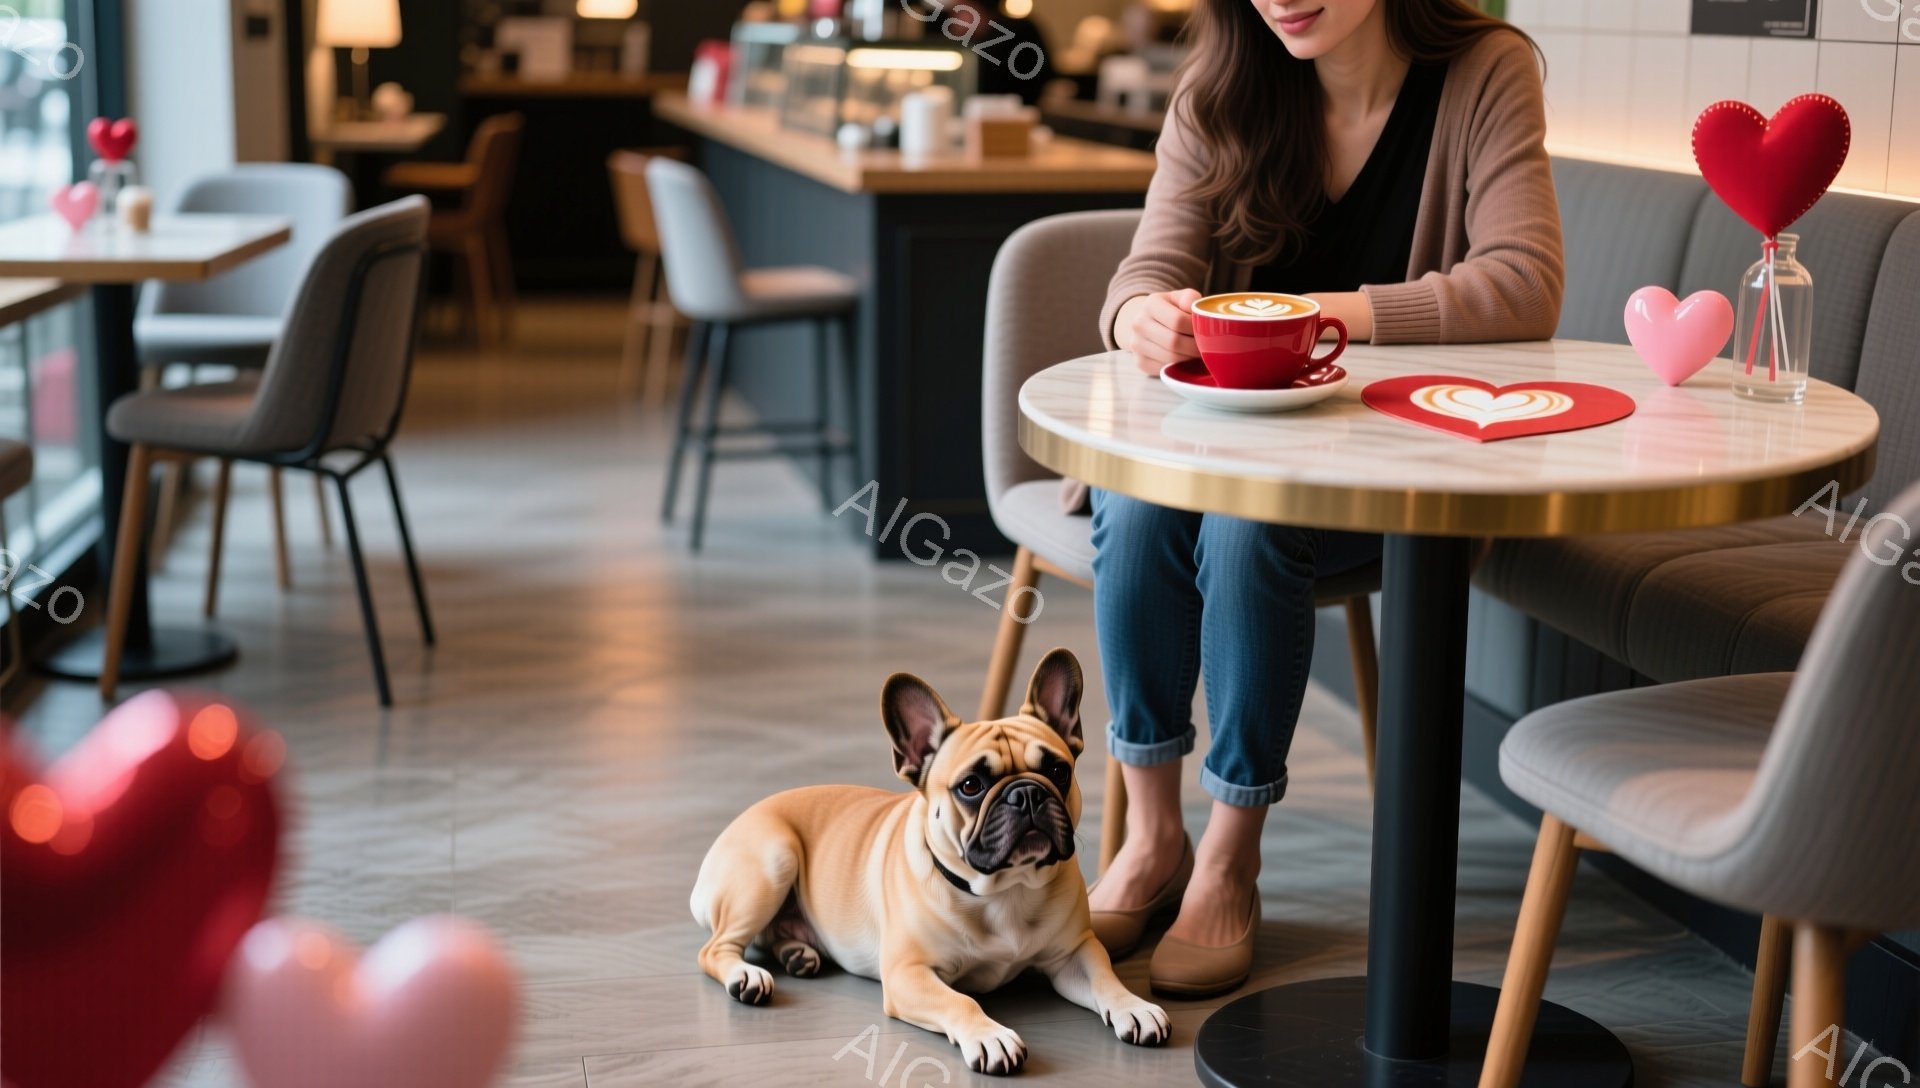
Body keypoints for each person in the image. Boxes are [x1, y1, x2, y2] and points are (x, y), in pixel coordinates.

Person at [1084, 0, 1564, 998]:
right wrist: (1144, 314)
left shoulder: (1486, 70)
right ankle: (1152, 831)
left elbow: (1525, 283)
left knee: (1249, 520)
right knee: (1130, 503)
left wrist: (1308, 319)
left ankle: (1231, 850)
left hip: (1389, 487)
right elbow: (1144, 273)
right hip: (1223, 451)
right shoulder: (1221, 84)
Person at [938, 0, 1055, 107]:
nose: (952, 20)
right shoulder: (978, 43)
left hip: (1014, 113)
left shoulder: (1015, 34)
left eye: (958, 12)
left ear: (974, 9)